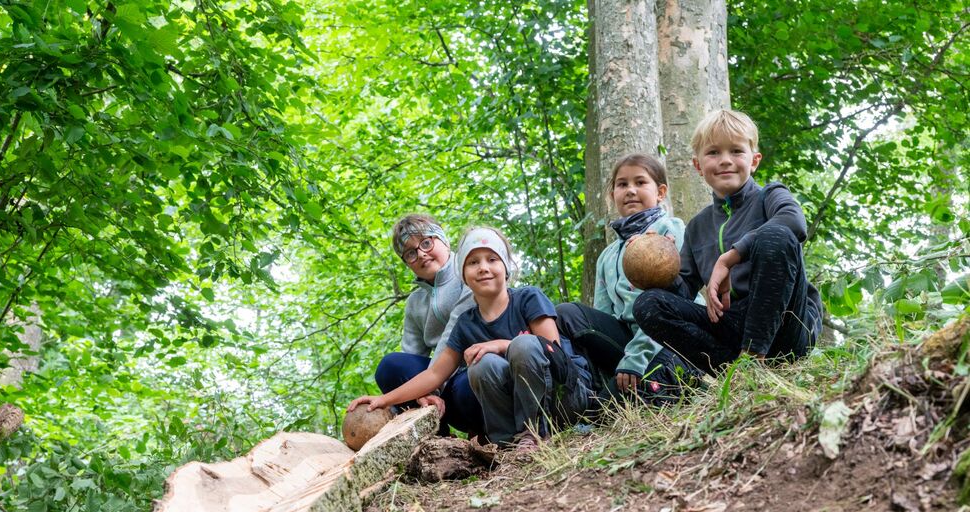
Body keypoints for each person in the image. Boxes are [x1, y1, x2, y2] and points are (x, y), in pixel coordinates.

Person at [351, 227, 593, 449]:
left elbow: (555, 352)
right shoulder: (466, 324)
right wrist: (384, 400)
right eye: (473, 262)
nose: (483, 267)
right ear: (463, 275)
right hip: (515, 410)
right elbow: (434, 374)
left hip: (564, 399)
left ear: (506, 266)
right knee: (482, 363)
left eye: (492, 259)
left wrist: (500, 345)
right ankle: (505, 442)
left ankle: (536, 432)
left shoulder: (528, 298)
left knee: (523, 345)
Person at [631, 109, 822, 374]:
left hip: (787, 323)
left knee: (775, 235)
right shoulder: (698, 226)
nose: (725, 161)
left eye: (736, 151)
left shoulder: (770, 196)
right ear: (698, 165)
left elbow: (794, 223)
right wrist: (656, 261)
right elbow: (682, 290)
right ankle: (733, 372)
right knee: (648, 304)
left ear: (754, 160)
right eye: (713, 153)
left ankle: (753, 356)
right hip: (732, 327)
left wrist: (733, 255)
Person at [556, 153, 697, 405]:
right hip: (629, 346)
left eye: (640, 182)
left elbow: (671, 306)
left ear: (661, 192)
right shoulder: (607, 256)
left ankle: (659, 380)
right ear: (612, 195)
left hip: (672, 342)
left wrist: (635, 359)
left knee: (607, 409)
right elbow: (603, 317)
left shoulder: (671, 230)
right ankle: (584, 386)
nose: (631, 190)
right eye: (622, 184)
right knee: (566, 313)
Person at [374, 214, 482, 435]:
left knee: (468, 384)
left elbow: (455, 334)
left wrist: (430, 385)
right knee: (390, 366)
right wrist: (418, 392)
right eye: (410, 253)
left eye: (426, 242)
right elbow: (410, 356)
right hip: (441, 384)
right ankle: (434, 438)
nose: (421, 254)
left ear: (444, 240)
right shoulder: (415, 303)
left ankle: (486, 433)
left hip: (479, 374)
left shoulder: (470, 270)